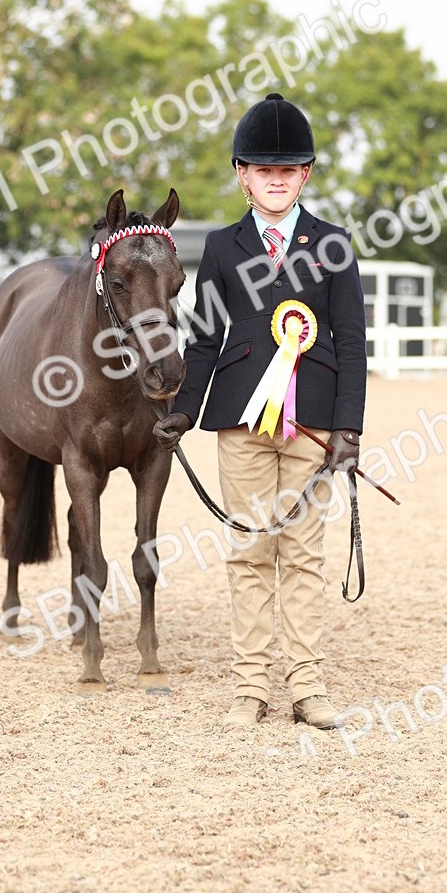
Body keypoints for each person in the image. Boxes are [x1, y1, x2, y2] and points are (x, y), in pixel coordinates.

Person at [154, 92, 367, 730]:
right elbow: (204, 335)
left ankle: (307, 686)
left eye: (288, 169)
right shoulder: (221, 247)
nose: (276, 179)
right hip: (241, 422)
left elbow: (352, 340)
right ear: (242, 175)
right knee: (248, 551)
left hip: (314, 422)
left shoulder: (333, 244)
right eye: (262, 169)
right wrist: (182, 411)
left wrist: (350, 427)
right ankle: (251, 686)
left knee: (302, 552)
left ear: (305, 175)